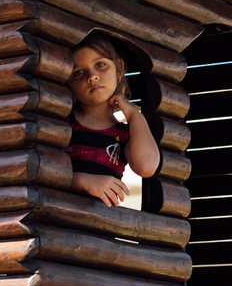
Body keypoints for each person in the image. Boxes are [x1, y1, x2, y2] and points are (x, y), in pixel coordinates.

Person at [64, 34, 160, 206]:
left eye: (100, 65)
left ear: (118, 69)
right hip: (57, 217)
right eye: (78, 72)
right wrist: (84, 181)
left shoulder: (124, 133)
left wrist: (134, 114)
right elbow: (43, 173)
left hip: (101, 221)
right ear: (68, 82)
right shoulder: (64, 121)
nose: (92, 76)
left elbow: (146, 167)